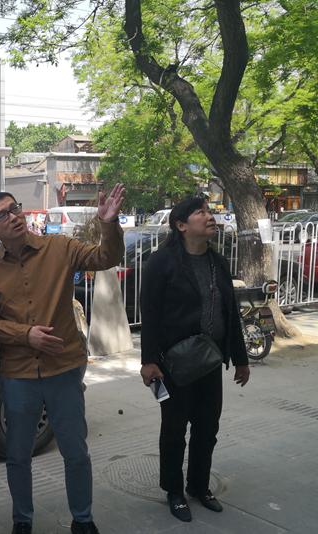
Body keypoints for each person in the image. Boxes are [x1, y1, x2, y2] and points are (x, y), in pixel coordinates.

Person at [0, 186, 126, 534]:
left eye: (15, 208)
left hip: (63, 367)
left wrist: (108, 223)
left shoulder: (60, 248)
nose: (14, 217)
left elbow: (105, 258)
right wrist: (24, 334)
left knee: (75, 450)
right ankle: (22, 521)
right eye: (2, 215)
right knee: (17, 454)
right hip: (18, 373)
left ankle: (83, 519)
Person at [140, 196, 250, 523]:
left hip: (210, 361)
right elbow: (150, 314)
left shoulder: (218, 262)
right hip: (174, 364)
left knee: (207, 428)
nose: (209, 217)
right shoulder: (162, 262)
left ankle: (199, 486)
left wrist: (241, 358)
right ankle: (174, 491)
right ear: (181, 225)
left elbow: (230, 314)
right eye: (201, 213)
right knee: (174, 430)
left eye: (209, 211)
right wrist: (149, 361)